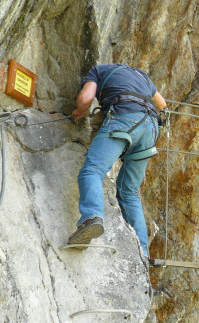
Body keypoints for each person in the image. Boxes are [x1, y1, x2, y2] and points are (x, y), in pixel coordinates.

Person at [68, 63, 167, 257]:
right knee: (129, 191)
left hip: (125, 119)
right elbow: (161, 104)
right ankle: (143, 252)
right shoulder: (142, 75)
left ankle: (91, 217)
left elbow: (86, 98)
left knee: (93, 170)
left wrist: (80, 110)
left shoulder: (97, 71)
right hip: (151, 128)